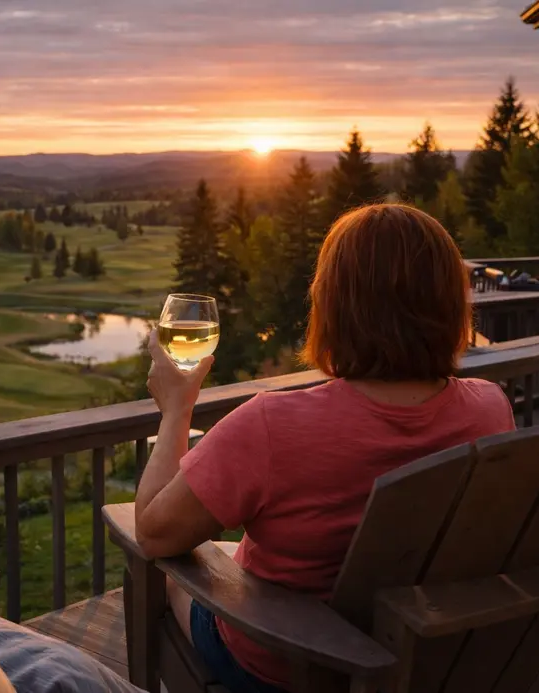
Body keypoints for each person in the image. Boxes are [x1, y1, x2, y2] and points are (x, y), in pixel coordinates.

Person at [134, 203, 516, 693]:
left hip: (289, 668)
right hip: (419, 658)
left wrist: (176, 410)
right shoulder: (488, 409)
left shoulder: (272, 424)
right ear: (450, 305)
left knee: (165, 576)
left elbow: (153, 533)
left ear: (332, 304)